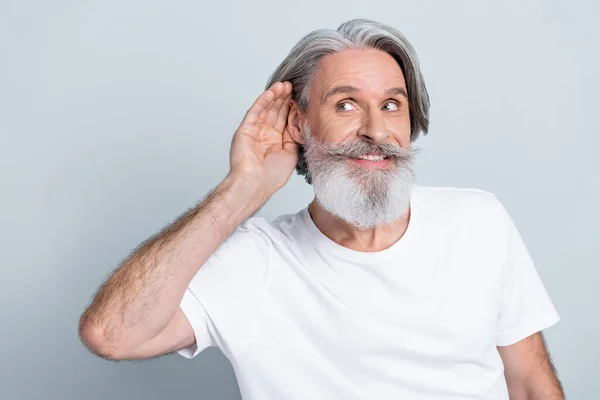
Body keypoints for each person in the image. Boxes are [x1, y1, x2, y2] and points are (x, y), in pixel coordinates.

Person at [79, 19, 564, 399]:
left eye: (392, 105)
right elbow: (112, 335)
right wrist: (243, 189)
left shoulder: (478, 222)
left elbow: (530, 385)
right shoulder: (257, 261)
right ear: (299, 122)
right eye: (346, 105)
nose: (376, 131)